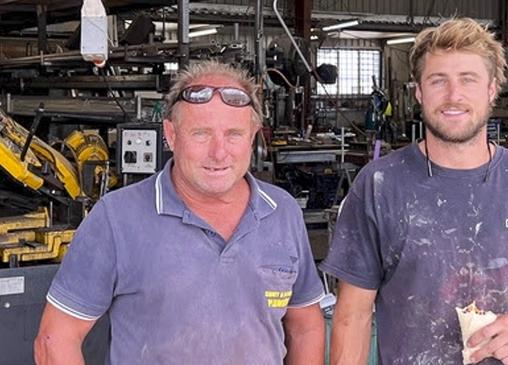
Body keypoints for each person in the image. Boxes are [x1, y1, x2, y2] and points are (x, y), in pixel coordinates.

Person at [321, 18, 508, 365]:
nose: (454, 96)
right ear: (418, 90)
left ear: (492, 89)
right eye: (438, 81)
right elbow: (352, 316)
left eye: (468, 80)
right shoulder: (379, 185)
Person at [34, 61, 325, 364]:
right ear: (171, 135)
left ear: (253, 136)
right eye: (201, 134)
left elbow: (305, 326)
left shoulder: (282, 212)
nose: (219, 153)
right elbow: (55, 339)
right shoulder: (116, 218)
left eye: (234, 134)